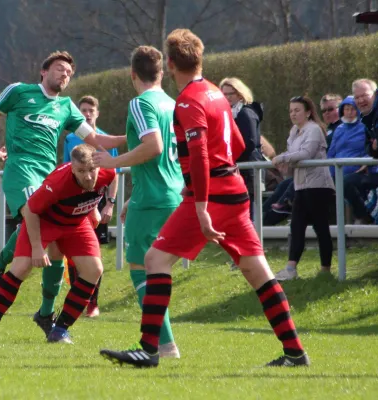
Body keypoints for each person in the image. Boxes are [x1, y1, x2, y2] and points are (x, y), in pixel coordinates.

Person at [100, 28, 309, 368]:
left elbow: (198, 154)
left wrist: (200, 207)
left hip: (210, 197)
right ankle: (295, 352)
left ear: (170, 64)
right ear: (199, 58)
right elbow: (239, 145)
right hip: (235, 194)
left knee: (154, 261)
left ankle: (150, 350)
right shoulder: (215, 93)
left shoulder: (188, 100)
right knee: (260, 275)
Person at [0, 51, 125, 338]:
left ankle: (47, 312)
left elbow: (96, 140)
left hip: (47, 174)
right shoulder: (19, 91)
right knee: (31, 218)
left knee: (56, 249)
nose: (64, 75)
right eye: (59, 69)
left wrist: (133, 136)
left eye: (69, 73)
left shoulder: (67, 107)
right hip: (21, 169)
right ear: (43, 71)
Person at [0, 144, 115, 344]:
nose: (88, 176)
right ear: (72, 168)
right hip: (44, 222)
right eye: (81, 171)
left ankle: (60, 330)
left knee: (94, 270)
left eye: (91, 170)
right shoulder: (57, 183)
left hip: (76, 223)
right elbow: (30, 210)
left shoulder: (107, 169)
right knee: (21, 268)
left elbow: (113, 177)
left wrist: (106, 204)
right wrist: (38, 248)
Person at [93, 45, 183, 358]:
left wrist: (111, 163)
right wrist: (133, 195)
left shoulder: (139, 103)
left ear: (133, 75)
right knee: (159, 269)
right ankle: (164, 342)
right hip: (173, 194)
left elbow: (153, 147)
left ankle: (164, 343)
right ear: (162, 73)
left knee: (141, 269)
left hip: (154, 199)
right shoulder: (173, 104)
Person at [63, 95, 119, 318]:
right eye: (83, 110)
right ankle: (78, 299)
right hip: (73, 203)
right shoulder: (70, 139)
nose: (87, 114)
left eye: (90, 110)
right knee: (75, 255)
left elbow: (113, 174)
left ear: (97, 113)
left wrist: (110, 204)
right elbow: (65, 171)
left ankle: (93, 304)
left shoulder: (105, 139)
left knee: (94, 254)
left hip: (97, 202)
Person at [272, 96, 335, 281]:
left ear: (308, 112)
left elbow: (306, 153)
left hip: (318, 186)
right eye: (291, 110)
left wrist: (283, 158)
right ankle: (291, 269)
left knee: (321, 227)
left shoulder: (314, 129)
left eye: (297, 110)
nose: (293, 114)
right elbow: (293, 155)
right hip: (301, 186)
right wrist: (286, 165)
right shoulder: (294, 131)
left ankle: (325, 270)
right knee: (297, 226)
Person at [327, 96, 378, 224]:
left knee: (346, 183)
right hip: (339, 170)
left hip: (362, 171)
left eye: (353, 109)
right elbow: (331, 153)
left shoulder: (364, 127)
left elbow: (370, 148)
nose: (350, 113)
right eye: (347, 109)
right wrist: (328, 174)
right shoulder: (339, 130)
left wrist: (366, 162)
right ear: (342, 111)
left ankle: (364, 216)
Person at [220, 77, 265, 221]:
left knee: (248, 214)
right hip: (239, 169)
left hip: (249, 170)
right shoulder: (229, 114)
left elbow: (249, 142)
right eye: (224, 94)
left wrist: (230, 157)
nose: (227, 98)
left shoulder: (246, 113)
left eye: (230, 94)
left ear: (240, 94)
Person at [352, 79, 378, 159]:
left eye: (364, 95)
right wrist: (373, 148)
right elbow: (368, 148)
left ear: (375, 94)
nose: (361, 100)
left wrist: (376, 147)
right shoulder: (367, 116)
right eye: (357, 97)